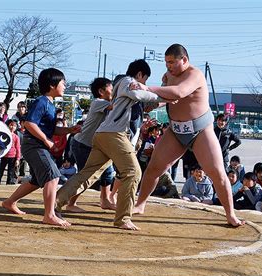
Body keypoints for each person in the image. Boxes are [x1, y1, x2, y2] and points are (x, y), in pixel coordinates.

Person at [132, 44, 244, 227]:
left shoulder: (195, 75)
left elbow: (179, 92)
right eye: (166, 62)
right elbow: (168, 98)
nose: (168, 66)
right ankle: (140, 204)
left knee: (217, 173)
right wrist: (153, 104)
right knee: (154, 168)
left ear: (184, 59)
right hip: (176, 130)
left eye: (172, 62)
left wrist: (146, 88)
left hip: (200, 130)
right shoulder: (168, 76)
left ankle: (230, 215)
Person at [55, 59, 164, 230]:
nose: (144, 85)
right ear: (140, 75)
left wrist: (167, 98)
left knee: (88, 173)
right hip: (113, 135)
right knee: (133, 173)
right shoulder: (128, 81)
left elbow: (144, 101)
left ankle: (56, 202)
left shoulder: (123, 86)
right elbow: (138, 95)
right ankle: (123, 218)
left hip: (104, 135)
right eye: (144, 80)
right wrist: (156, 92)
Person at [1, 68, 80, 227]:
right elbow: (30, 124)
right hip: (34, 145)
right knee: (52, 176)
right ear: (52, 85)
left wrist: (69, 130)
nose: (65, 86)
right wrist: (46, 140)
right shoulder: (41, 101)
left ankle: (9, 202)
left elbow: (49, 129)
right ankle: (49, 215)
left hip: (38, 145)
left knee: (38, 180)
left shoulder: (50, 104)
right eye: (63, 83)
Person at [64, 77, 115, 212]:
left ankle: (105, 200)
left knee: (107, 173)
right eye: (112, 88)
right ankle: (71, 203)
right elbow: (116, 106)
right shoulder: (98, 102)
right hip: (82, 145)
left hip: (96, 145)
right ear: (101, 91)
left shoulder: (104, 102)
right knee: (85, 175)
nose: (114, 91)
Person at [0, 119, 21, 185]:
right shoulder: (4, 135)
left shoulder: (16, 137)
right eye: (11, 125)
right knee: (0, 171)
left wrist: (18, 159)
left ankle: (8, 184)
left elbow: (18, 148)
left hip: (12, 156)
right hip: (4, 155)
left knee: (10, 172)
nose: (12, 127)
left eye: (14, 126)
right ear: (8, 125)